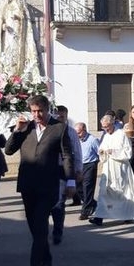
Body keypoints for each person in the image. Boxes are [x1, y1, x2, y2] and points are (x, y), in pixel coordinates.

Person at [4, 95, 74, 266]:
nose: (37, 115)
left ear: (47, 109)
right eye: (33, 111)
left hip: (48, 184)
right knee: (33, 225)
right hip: (28, 184)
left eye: (40, 111)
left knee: (41, 223)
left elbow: (67, 155)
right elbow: (8, 150)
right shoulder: (25, 127)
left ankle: (35, 265)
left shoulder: (59, 128)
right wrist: (17, 131)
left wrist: (71, 181)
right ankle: (46, 256)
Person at [90, 115, 134, 226]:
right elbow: (101, 149)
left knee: (123, 193)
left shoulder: (122, 134)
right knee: (104, 192)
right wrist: (102, 152)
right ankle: (99, 217)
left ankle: (127, 215)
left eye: (107, 127)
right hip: (108, 169)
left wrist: (113, 151)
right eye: (103, 127)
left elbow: (128, 152)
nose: (105, 129)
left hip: (120, 168)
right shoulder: (106, 136)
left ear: (112, 123)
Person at [50, 105, 82, 245]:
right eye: (57, 116)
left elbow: (77, 151)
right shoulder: (50, 130)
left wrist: (78, 170)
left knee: (59, 202)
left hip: (63, 169)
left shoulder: (71, 132)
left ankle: (58, 231)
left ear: (66, 116)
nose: (59, 118)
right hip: (48, 169)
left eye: (61, 116)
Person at [76, 122, 100, 220]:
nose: (77, 135)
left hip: (90, 165)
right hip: (80, 165)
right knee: (78, 188)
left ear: (84, 130)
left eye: (79, 133)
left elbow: (99, 152)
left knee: (87, 188)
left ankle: (85, 212)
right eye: (76, 133)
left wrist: (96, 164)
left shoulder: (92, 140)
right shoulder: (77, 140)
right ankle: (93, 204)